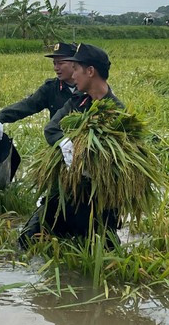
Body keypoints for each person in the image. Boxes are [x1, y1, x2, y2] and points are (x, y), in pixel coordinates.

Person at [21, 43, 123, 244]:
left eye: (76, 69)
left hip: (98, 199)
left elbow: (118, 164)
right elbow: (51, 128)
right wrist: (64, 143)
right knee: (28, 238)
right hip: (66, 190)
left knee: (101, 247)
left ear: (90, 71)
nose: (73, 76)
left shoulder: (116, 112)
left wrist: (93, 165)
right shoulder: (77, 101)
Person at [0, 42, 77, 148]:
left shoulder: (90, 87)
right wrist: (0, 118)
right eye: (54, 63)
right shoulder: (51, 88)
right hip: (61, 144)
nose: (56, 68)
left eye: (61, 63)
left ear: (75, 63)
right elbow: (28, 105)